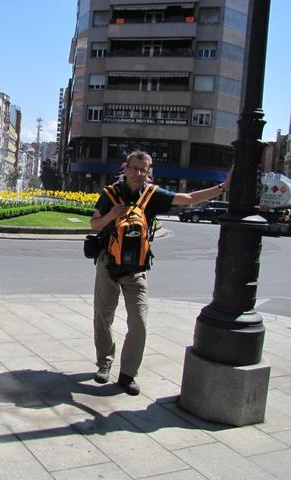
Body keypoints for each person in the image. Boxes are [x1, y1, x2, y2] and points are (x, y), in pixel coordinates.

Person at [90, 151, 231, 395]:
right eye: (134, 168)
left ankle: (127, 374)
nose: (138, 174)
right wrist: (111, 215)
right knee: (103, 317)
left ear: (148, 172)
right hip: (108, 264)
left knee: (140, 322)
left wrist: (223, 187)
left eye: (143, 170)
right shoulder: (110, 194)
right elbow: (93, 224)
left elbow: (187, 198)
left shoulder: (152, 195)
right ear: (126, 169)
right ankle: (104, 362)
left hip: (136, 270)